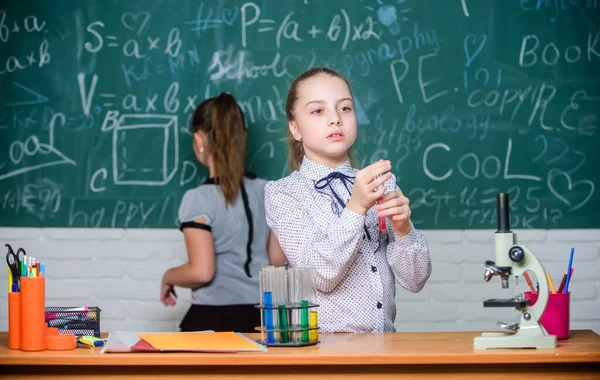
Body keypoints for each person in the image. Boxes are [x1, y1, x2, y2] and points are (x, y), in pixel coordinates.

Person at [264, 67, 431, 333]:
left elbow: (416, 280)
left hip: (386, 350)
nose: (335, 119)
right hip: (327, 357)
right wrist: (356, 207)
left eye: (345, 108)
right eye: (318, 111)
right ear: (295, 128)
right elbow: (320, 276)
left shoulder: (380, 184)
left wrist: (403, 230)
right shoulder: (284, 193)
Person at [161, 92, 286, 332]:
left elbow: (201, 271)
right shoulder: (267, 191)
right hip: (261, 319)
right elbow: (277, 261)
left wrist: (168, 276)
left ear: (199, 140)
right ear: (243, 138)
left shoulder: (198, 199)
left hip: (212, 319)